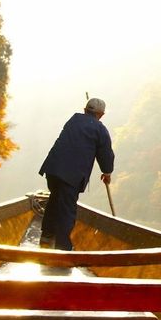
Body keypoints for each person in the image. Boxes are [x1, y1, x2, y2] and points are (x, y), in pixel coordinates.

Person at [38, 97, 114, 250]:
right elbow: (105, 154)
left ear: (85, 110)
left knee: (55, 199)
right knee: (67, 208)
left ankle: (47, 235)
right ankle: (63, 248)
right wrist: (107, 172)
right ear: (101, 114)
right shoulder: (100, 130)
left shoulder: (73, 120)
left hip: (53, 169)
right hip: (72, 174)